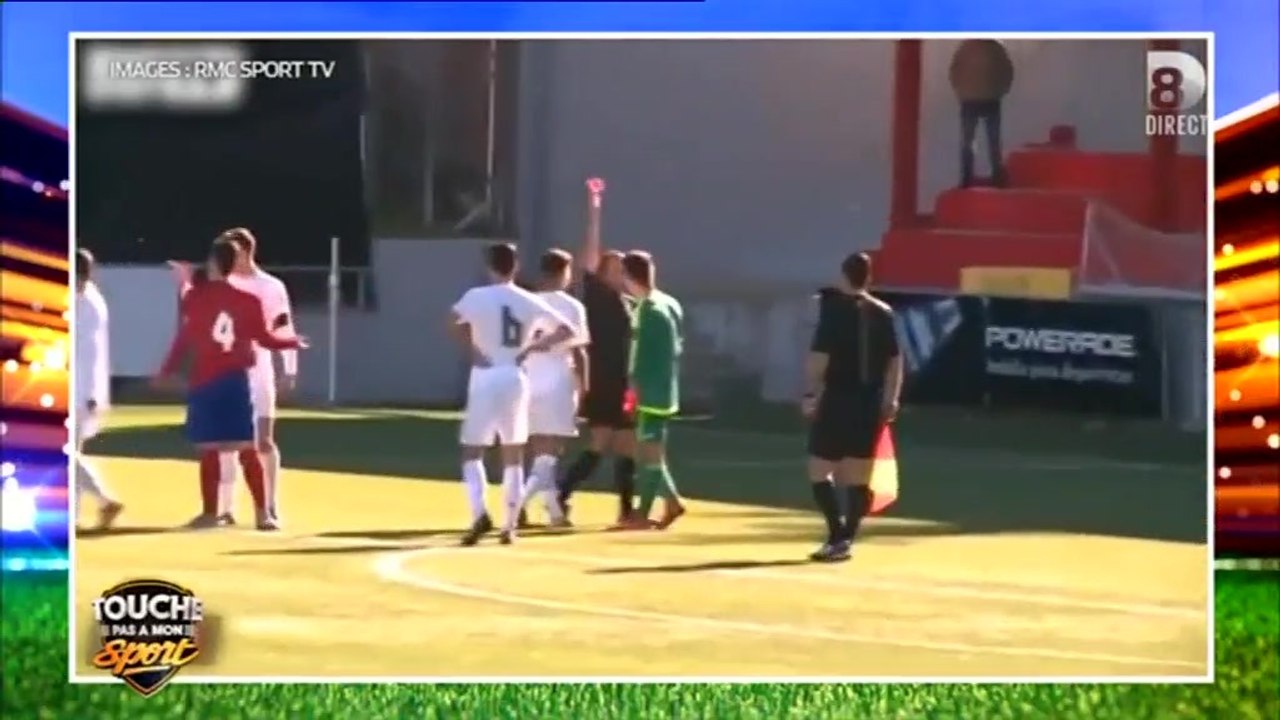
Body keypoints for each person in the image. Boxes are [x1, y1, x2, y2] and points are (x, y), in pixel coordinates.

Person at [152, 239, 307, 530]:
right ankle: (263, 513)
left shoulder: (196, 298)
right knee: (247, 448)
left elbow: (185, 337)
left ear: (213, 262)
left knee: (210, 449)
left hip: (205, 380)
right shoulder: (249, 300)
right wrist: (291, 342)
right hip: (237, 381)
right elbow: (265, 338)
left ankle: (211, 513)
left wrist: (166, 371)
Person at [450, 243, 579, 546]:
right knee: (513, 452)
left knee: (472, 450)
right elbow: (567, 329)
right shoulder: (527, 298)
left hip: (485, 375)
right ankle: (509, 526)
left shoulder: (477, 295)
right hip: (515, 374)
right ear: (515, 266)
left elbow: (452, 321)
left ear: (489, 266)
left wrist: (474, 351)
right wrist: (533, 347)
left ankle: (479, 513)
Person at [801, 252, 904, 562]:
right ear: (868, 277)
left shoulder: (834, 312)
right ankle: (846, 538)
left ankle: (837, 534)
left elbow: (820, 358)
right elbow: (895, 361)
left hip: (837, 398)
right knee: (858, 476)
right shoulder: (884, 313)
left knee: (820, 471)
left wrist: (811, 394)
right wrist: (892, 398)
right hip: (869, 402)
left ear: (843, 275)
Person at [557, 178, 638, 525]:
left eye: (623, 268)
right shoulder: (598, 296)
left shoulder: (629, 301)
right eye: (614, 268)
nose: (619, 273)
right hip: (605, 379)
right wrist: (594, 208)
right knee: (601, 441)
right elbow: (589, 256)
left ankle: (625, 510)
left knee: (626, 444)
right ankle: (562, 493)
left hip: (624, 381)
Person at [219, 228, 297, 526]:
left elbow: (284, 327)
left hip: (260, 371)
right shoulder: (222, 284)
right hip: (228, 371)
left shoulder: (271, 287)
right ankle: (225, 508)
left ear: (246, 251)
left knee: (263, 440)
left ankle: (269, 505)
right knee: (227, 441)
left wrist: (289, 368)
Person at [514, 249, 590, 526]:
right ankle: (519, 503)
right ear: (564, 272)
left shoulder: (525, 303)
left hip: (527, 376)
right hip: (557, 377)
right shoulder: (571, 306)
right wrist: (584, 387)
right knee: (551, 450)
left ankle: (553, 511)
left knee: (536, 448)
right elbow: (579, 350)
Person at [616, 251, 687, 530]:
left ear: (627, 275)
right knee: (649, 449)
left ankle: (641, 512)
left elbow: (638, 358)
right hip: (666, 387)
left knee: (650, 453)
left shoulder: (647, 311)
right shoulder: (668, 303)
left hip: (649, 392)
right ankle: (672, 502)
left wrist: (632, 395)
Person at [74, 248, 124, 529]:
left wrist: (91, 394)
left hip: (81, 389)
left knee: (67, 454)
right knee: (72, 453)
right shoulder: (88, 299)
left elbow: (88, 353)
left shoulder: (86, 303)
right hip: (82, 387)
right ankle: (75, 514)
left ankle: (105, 500)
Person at [948, 39, 1014, 188]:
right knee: (993, 140)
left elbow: (954, 71)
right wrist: (1001, 90)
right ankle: (997, 175)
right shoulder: (996, 49)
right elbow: (1008, 72)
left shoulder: (965, 48)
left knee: (968, 140)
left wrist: (961, 90)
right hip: (991, 98)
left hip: (969, 99)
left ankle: (967, 176)